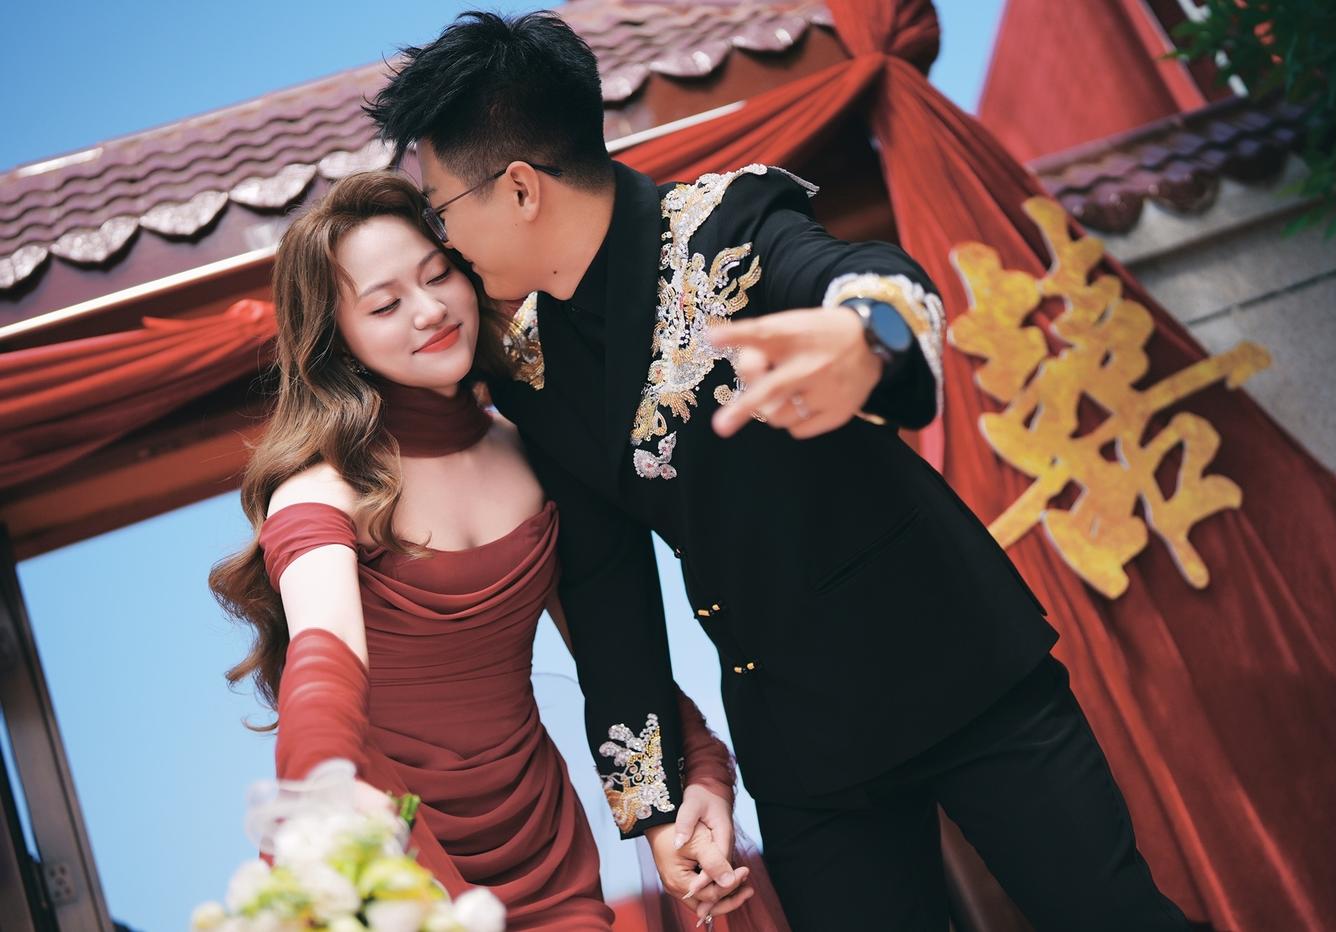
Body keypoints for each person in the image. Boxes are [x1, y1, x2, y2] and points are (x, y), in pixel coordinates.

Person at [364, 10, 1191, 931]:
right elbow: (605, 593)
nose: (445, 243)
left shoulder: (726, 223)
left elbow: (857, 273)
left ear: (520, 188)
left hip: (960, 672)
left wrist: (866, 338)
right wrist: (658, 804)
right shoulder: (533, 371)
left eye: (442, 211)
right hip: (802, 748)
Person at [208, 171, 786, 928]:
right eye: (384, 305)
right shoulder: (321, 492)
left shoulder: (536, 453)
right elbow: (323, 666)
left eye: (436, 275)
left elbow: (613, 657)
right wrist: (326, 794)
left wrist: (699, 769)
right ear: (336, 342)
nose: (429, 311)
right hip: (386, 839)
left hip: (540, 835)